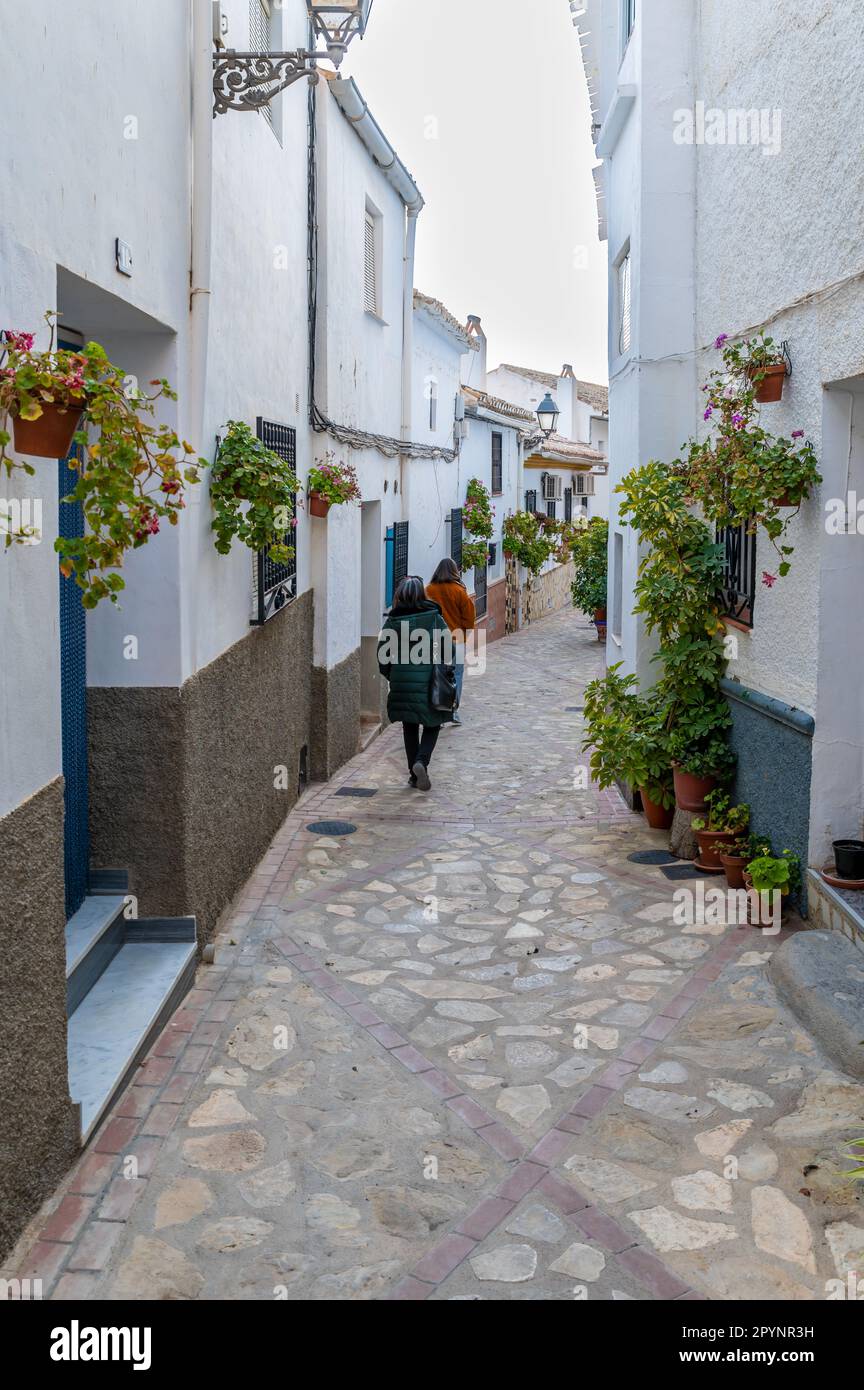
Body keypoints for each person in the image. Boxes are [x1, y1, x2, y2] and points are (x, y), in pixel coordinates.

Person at [378, 575, 456, 790]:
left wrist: (393, 675)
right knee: (433, 723)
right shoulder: (433, 618)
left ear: (399, 596)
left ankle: (414, 775)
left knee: (409, 726)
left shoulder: (392, 622)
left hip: (401, 681)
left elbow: (383, 657)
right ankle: (421, 762)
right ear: (422, 594)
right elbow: (449, 650)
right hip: (429, 680)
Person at [426, 557, 476, 726]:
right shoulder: (459, 591)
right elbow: (469, 618)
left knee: (436, 674)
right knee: (456, 675)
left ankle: (437, 711)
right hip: (457, 639)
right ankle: (453, 710)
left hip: (435, 640)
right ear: (455, 571)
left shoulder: (429, 590)